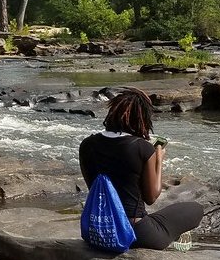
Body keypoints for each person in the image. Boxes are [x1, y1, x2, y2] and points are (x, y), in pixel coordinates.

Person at [79, 88, 203, 250]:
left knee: (157, 217)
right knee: (196, 209)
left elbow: (93, 187)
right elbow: (151, 197)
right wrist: (158, 160)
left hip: (96, 231)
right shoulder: (142, 148)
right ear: (142, 119)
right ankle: (178, 243)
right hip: (137, 234)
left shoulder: (87, 144)